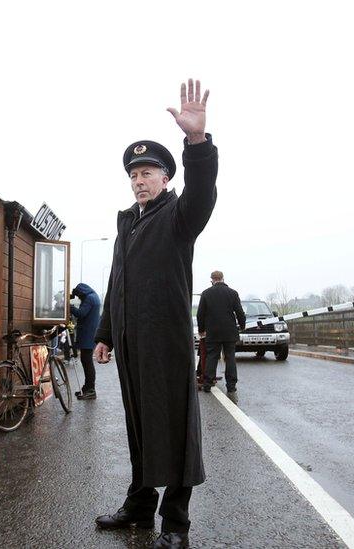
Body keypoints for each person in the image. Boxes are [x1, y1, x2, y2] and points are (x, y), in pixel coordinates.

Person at [93, 79, 217, 549]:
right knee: (139, 422)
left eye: (148, 173)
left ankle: (176, 524)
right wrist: (104, 332)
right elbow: (116, 282)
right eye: (134, 174)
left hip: (165, 341)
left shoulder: (179, 215)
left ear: (166, 178)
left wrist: (197, 143)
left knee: (175, 427)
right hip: (129, 341)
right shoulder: (127, 221)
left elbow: (203, 192)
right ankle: (140, 507)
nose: (139, 180)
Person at [197, 271, 245, 393]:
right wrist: (242, 325)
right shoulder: (233, 293)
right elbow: (239, 312)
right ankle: (231, 385)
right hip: (229, 332)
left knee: (212, 356)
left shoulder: (206, 293)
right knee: (230, 357)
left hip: (213, 332)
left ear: (212, 280)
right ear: (223, 279)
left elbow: (200, 314)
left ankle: (208, 384)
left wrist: (201, 330)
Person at [69, 283, 102, 399]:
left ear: (81, 292)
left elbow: (81, 313)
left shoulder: (89, 298)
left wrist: (69, 307)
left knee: (87, 362)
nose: (78, 298)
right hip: (90, 334)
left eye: (78, 295)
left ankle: (91, 390)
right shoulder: (93, 296)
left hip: (88, 334)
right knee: (86, 361)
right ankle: (87, 388)